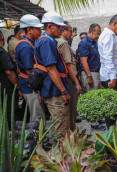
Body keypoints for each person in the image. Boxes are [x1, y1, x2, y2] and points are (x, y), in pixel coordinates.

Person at [34, 11, 70, 143]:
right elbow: (51, 69)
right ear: (49, 26)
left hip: (52, 88)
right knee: (60, 128)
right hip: (55, 91)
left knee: (60, 124)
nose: (62, 30)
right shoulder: (46, 42)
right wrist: (64, 91)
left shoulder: (48, 41)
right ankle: (61, 158)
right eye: (59, 27)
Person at [15, 14, 46, 126]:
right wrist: (39, 91)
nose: (40, 31)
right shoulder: (25, 47)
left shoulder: (29, 44)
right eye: (38, 28)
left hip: (31, 86)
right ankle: (38, 141)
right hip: (31, 87)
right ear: (29, 30)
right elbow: (30, 72)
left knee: (38, 114)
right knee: (37, 116)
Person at [78, 23, 106, 131]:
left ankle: (98, 118)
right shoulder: (84, 43)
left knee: (97, 97)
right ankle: (94, 123)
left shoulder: (94, 42)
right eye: (96, 34)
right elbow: (83, 60)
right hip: (90, 73)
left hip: (96, 72)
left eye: (99, 34)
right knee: (92, 98)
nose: (98, 36)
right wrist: (89, 76)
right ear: (90, 31)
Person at [56, 21, 82, 131]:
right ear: (63, 31)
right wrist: (77, 83)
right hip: (69, 79)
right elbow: (68, 65)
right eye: (70, 31)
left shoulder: (56, 41)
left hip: (62, 79)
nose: (72, 34)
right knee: (71, 109)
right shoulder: (63, 43)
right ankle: (72, 134)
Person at [0, 30, 23, 129]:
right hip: (7, 89)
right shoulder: (2, 53)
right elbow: (9, 73)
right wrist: (17, 88)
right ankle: (10, 134)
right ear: (2, 37)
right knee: (10, 113)